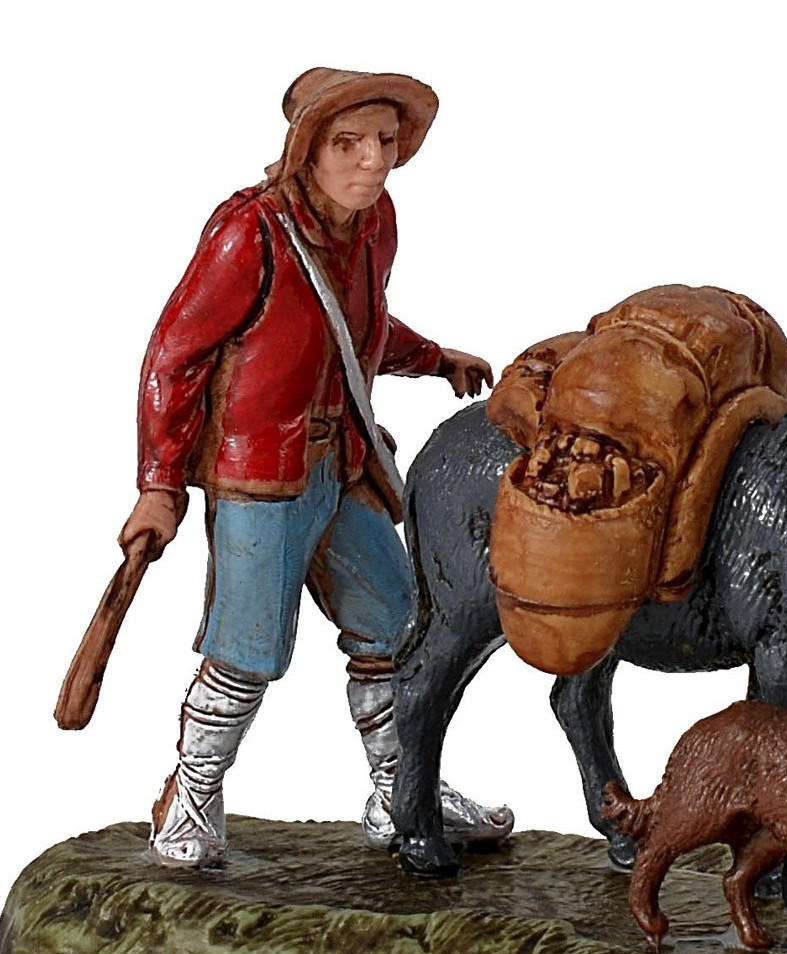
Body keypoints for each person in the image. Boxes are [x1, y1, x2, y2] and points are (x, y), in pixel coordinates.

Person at [121, 67, 513, 866]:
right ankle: (191, 796)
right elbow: (175, 358)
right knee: (246, 649)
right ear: (306, 149)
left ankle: (400, 793)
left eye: (386, 141)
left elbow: (356, 327)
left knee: (397, 626)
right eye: (348, 143)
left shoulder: (375, 223)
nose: (372, 160)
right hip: (261, 479)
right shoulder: (248, 234)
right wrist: (159, 485)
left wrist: (435, 358)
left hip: (343, 466)